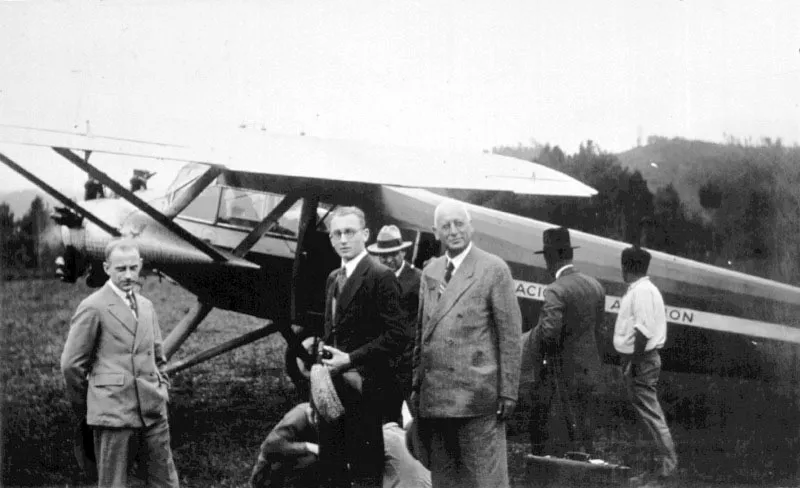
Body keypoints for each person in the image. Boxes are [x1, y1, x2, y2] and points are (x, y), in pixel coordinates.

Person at [411, 200, 522, 488]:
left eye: (459, 223)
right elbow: (422, 335)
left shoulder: (493, 269)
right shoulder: (431, 272)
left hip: (477, 400)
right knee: (445, 480)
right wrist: (416, 386)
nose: (454, 231)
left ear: (470, 226)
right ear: (435, 233)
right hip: (436, 399)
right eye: (446, 226)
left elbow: (510, 336)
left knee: (486, 480)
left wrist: (508, 392)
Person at [60, 239, 179, 487]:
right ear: (106, 268)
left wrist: (161, 387)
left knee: (165, 481)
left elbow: (158, 356)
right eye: (120, 269)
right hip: (113, 413)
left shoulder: (146, 307)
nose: (128, 275)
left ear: (141, 266)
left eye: (133, 268)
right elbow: (71, 365)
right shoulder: (93, 307)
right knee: (115, 483)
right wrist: (92, 405)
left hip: (153, 410)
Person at [318, 206, 407, 487]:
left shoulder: (380, 276)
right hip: (332, 391)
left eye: (350, 232)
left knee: (365, 469)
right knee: (331, 467)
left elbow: (398, 335)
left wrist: (352, 359)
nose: (343, 239)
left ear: (365, 235)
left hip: (365, 391)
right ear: (331, 239)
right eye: (337, 233)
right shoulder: (334, 277)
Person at [525, 226, 606, 456]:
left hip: (562, 375)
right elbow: (601, 331)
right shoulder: (595, 285)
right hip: (590, 370)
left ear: (550, 259)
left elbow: (549, 334)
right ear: (569, 255)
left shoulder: (556, 290)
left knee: (555, 436)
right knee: (584, 432)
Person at [249, 401, 431, 488]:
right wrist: (310, 447)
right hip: (269, 475)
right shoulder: (299, 415)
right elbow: (269, 447)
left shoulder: (380, 437)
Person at [614, 246, 678, 487]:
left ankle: (666, 470)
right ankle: (656, 470)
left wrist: (634, 361)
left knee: (651, 416)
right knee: (647, 417)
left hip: (641, 359)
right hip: (642, 358)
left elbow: (643, 330)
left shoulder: (641, 292)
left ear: (626, 267)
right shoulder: (644, 290)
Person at [367, 224, 422, 424]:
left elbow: (423, 321)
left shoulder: (417, 279)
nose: (389, 259)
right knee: (384, 415)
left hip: (407, 362)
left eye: (393, 254)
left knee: (413, 416)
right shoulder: (375, 277)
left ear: (403, 252)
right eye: (383, 255)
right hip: (380, 360)